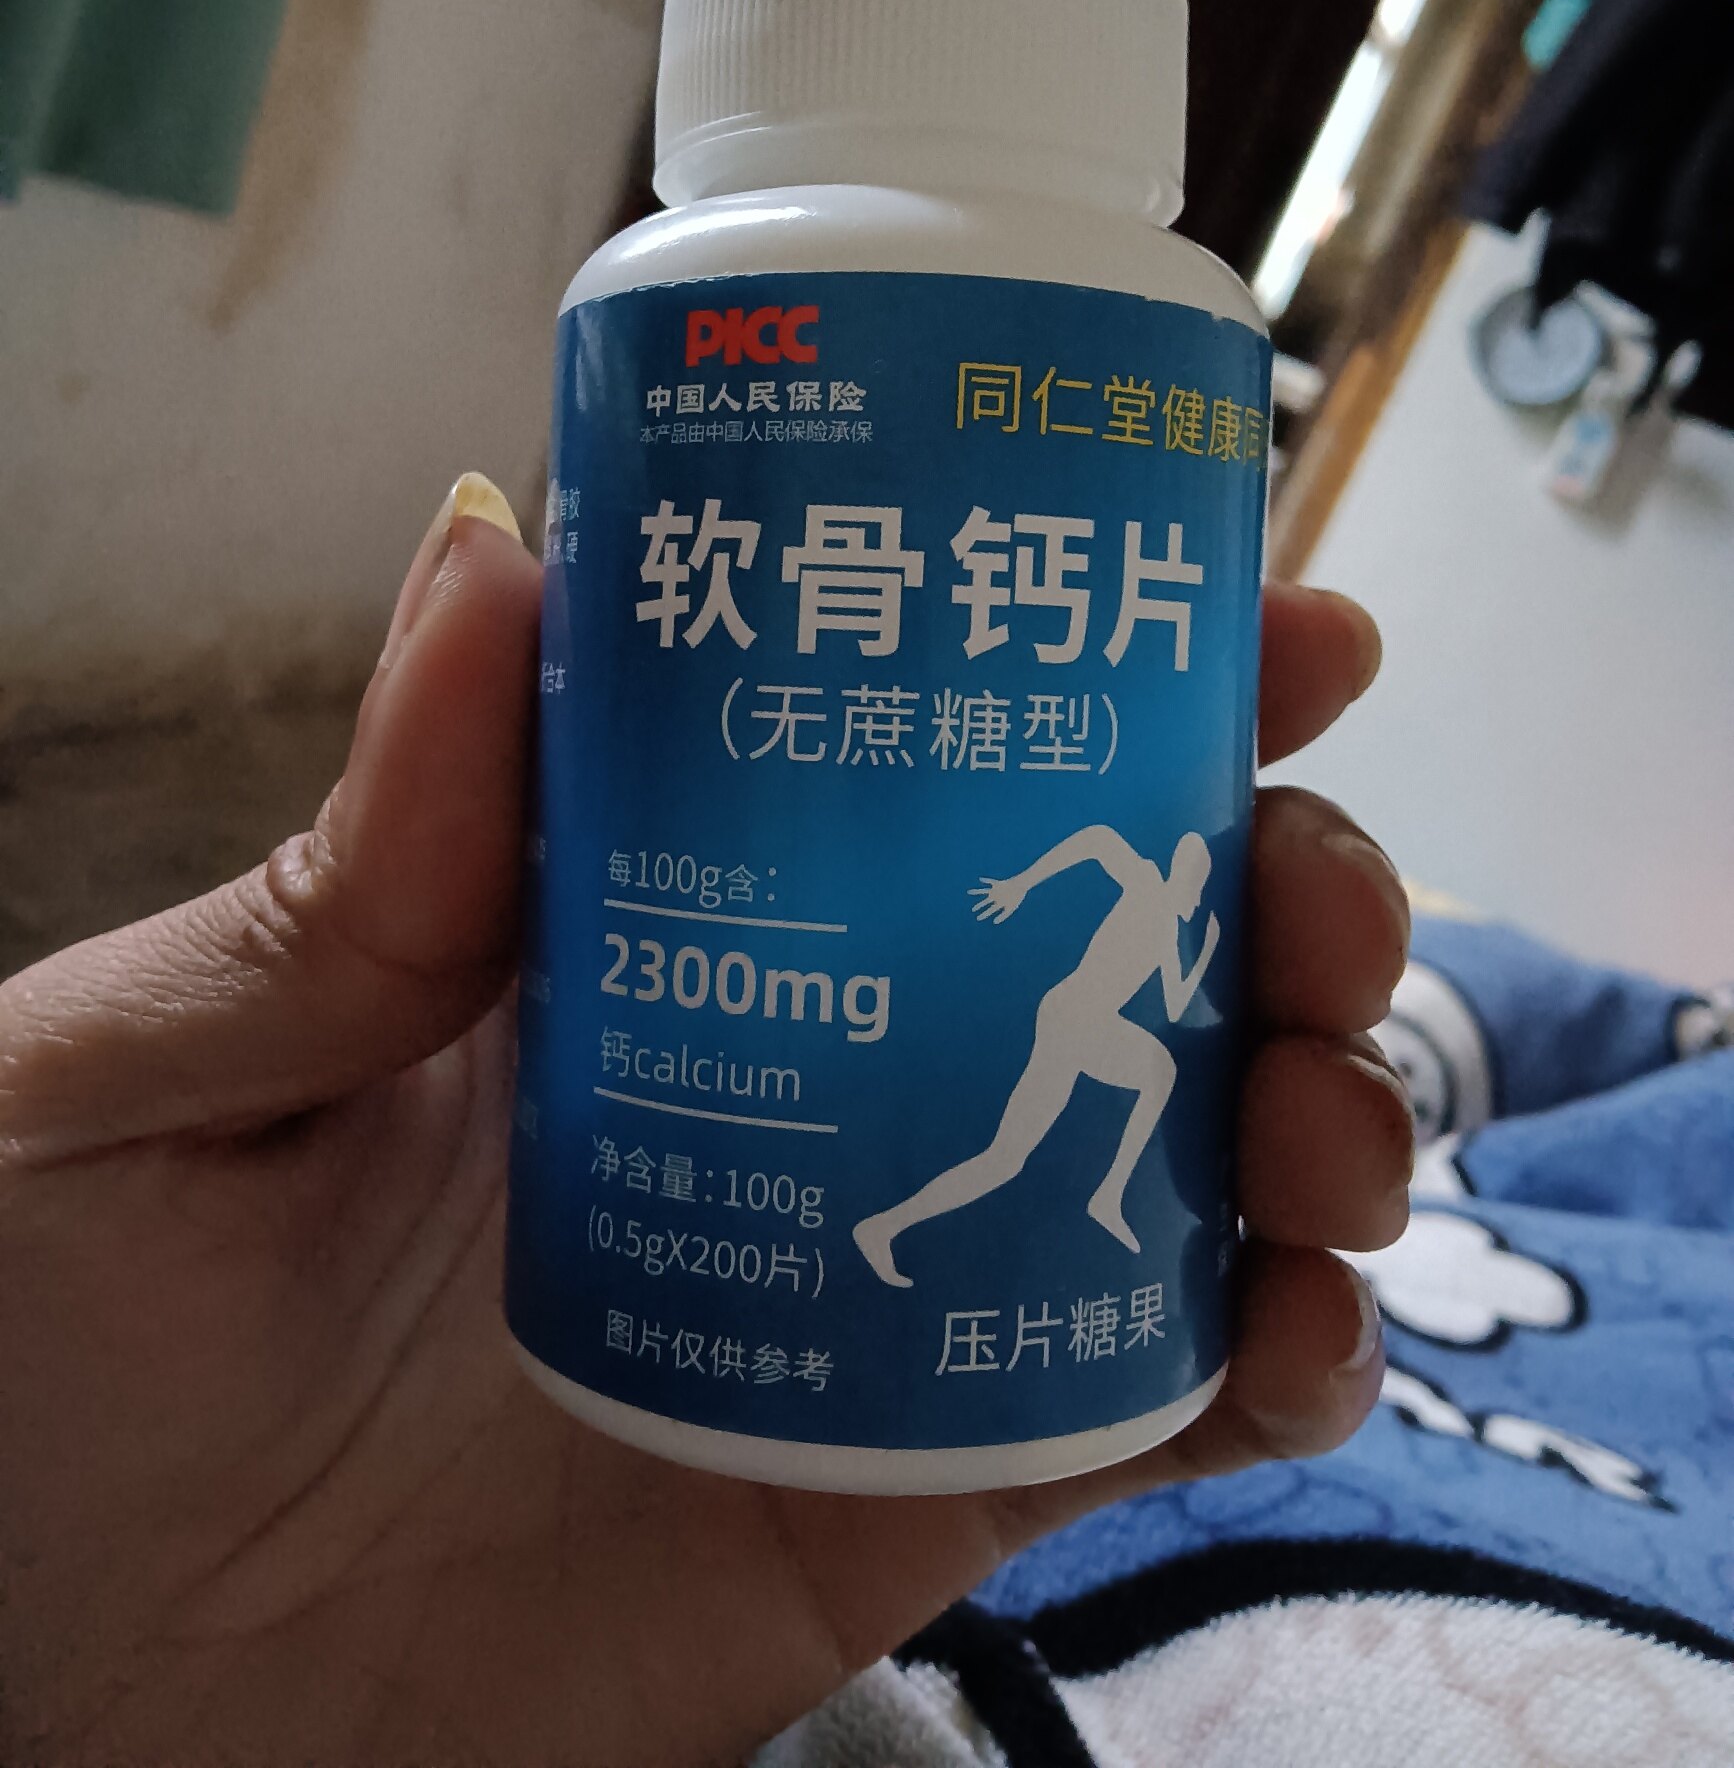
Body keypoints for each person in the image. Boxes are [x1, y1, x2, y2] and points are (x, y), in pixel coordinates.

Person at [0, 473, 1413, 1768]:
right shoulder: (1129, 856)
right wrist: (1014, 894)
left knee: (1157, 1087)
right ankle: (902, 1219)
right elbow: (1086, 849)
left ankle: (1058, 1205)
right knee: (1004, 1147)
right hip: (1012, 1040)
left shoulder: (1177, 881)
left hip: (1076, 1091)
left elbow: (1177, 970)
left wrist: (1208, 945)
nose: (1187, 857)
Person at [855, 826, 1220, 1285]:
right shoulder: (1145, 880)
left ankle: (885, 1226)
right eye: (1198, 886)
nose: (1198, 899)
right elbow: (1098, 840)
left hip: (1084, 1023)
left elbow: (1175, 1004)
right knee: (1152, 1075)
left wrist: (1204, 952)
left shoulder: (1168, 930)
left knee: (1007, 1158)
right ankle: (1107, 1195)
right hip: (1074, 1016)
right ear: (1185, 877)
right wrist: (1021, 883)